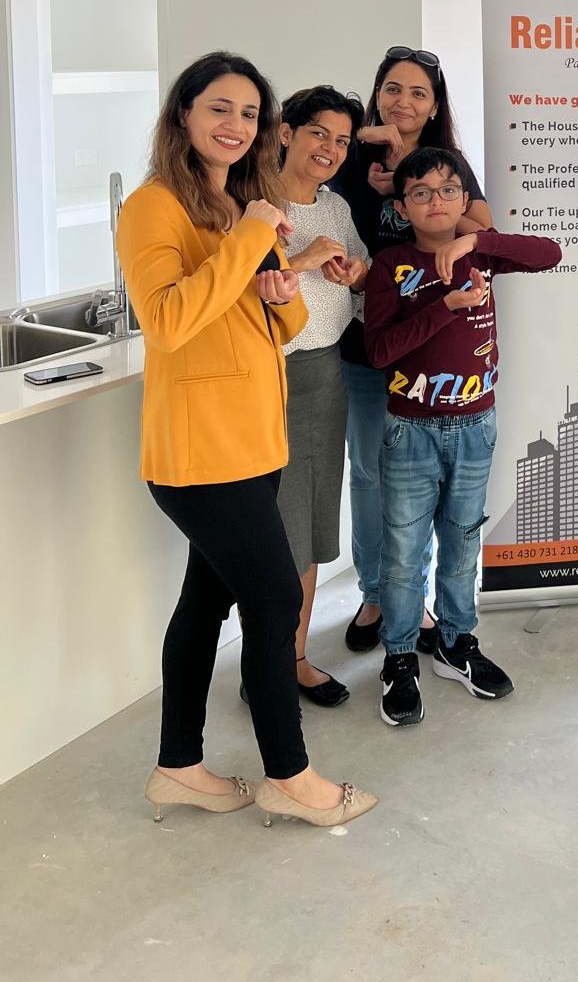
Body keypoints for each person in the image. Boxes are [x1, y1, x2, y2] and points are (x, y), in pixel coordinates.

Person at [117, 51, 375, 828]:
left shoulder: (236, 207)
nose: (236, 125)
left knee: (205, 602)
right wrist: (251, 240)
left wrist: (278, 286)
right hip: (200, 451)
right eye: (220, 108)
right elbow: (166, 321)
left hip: (254, 441)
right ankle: (289, 777)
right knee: (273, 597)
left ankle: (178, 767)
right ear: (184, 115)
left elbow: (278, 325)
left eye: (249, 113)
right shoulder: (154, 207)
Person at [363, 146, 561, 727]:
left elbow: (549, 252)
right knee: (404, 552)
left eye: (449, 189)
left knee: (462, 542)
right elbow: (380, 351)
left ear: (463, 199)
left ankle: (456, 642)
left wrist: (477, 238)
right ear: (402, 206)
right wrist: (447, 306)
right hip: (411, 430)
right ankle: (401, 655)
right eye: (421, 192)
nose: (437, 201)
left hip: (476, 424)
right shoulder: (390, 265)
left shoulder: (483, 254)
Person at [334, 47, 493, 656]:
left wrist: (409, 170)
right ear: (377, 95)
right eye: (392, 89)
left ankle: (415, 601)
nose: (403, 101)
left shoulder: (443, 163)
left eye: (418, 92)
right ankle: (377, 593)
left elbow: (484, 229)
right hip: (366, 341)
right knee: (370, 473)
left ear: (434, 106)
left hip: (437, 350)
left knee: (426, 486)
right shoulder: (350, 156)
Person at [275, 85, 370, 708]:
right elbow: (233, 284)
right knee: (275, 531)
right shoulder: (250, 203)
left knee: (309, 526)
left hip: (324, 376)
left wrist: (356, 274)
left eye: (341, 140)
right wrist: (302, 259)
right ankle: (272, 663)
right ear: (286, 132)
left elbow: (362, 274)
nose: (330, 149)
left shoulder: (335, 207)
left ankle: (293, 658)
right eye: (318, 133)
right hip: (265, 377)